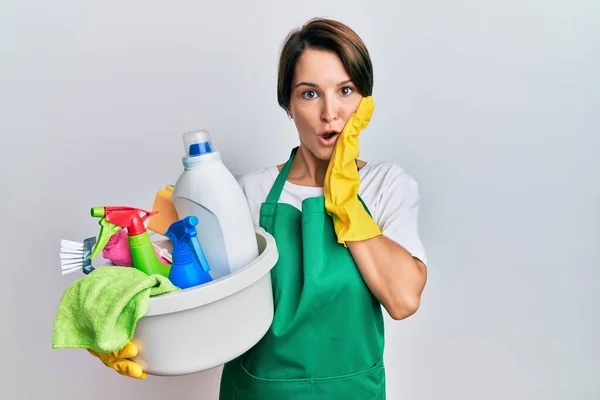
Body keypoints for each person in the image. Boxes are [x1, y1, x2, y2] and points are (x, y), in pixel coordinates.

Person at [89, 17, 428, 399]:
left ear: (365, 101)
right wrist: (111, 325)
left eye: (346, 90)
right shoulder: (246, 193)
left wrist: (345, 198)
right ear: (287, 104)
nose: (330, 113)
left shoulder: (386, 186)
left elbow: (402, 300)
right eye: (310, 94)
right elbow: (175, 287)